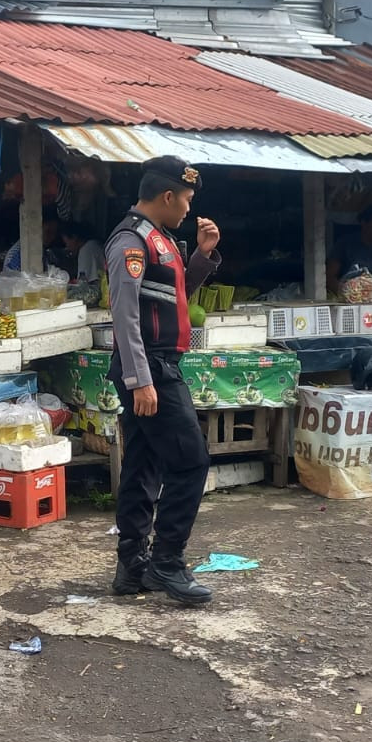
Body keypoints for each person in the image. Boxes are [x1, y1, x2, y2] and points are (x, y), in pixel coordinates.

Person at [105, 156, 222, 606]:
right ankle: (167, 562)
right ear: (168, 196)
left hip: (157, 365)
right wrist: (140, 380)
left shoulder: (161, 240)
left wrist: (202, 255)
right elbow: (125, 315)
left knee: (142, 466)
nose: (190, 209)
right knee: (191, 462)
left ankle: (131, 568)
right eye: (188, 199)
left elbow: (171, 298)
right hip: (150, 368)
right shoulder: (131, 241)